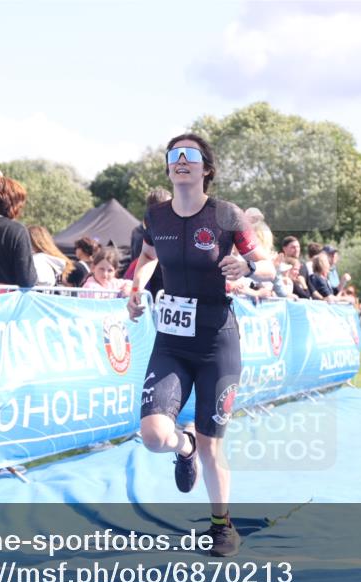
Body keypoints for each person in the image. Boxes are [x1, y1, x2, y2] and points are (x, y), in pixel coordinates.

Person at [126, 133, 274, 558]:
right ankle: (181, 445)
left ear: (206, 168)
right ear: (169, 168)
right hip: (171, 343)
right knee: (154, 435)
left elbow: (266, 266)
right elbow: (148, 257)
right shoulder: (156, 217)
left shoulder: (226, 215)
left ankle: (220, 524)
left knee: (213, 445)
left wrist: (246, 263)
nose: (181, 161)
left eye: (190, 155)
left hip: (216, 342)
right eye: (174, 156)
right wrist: (136, 288)